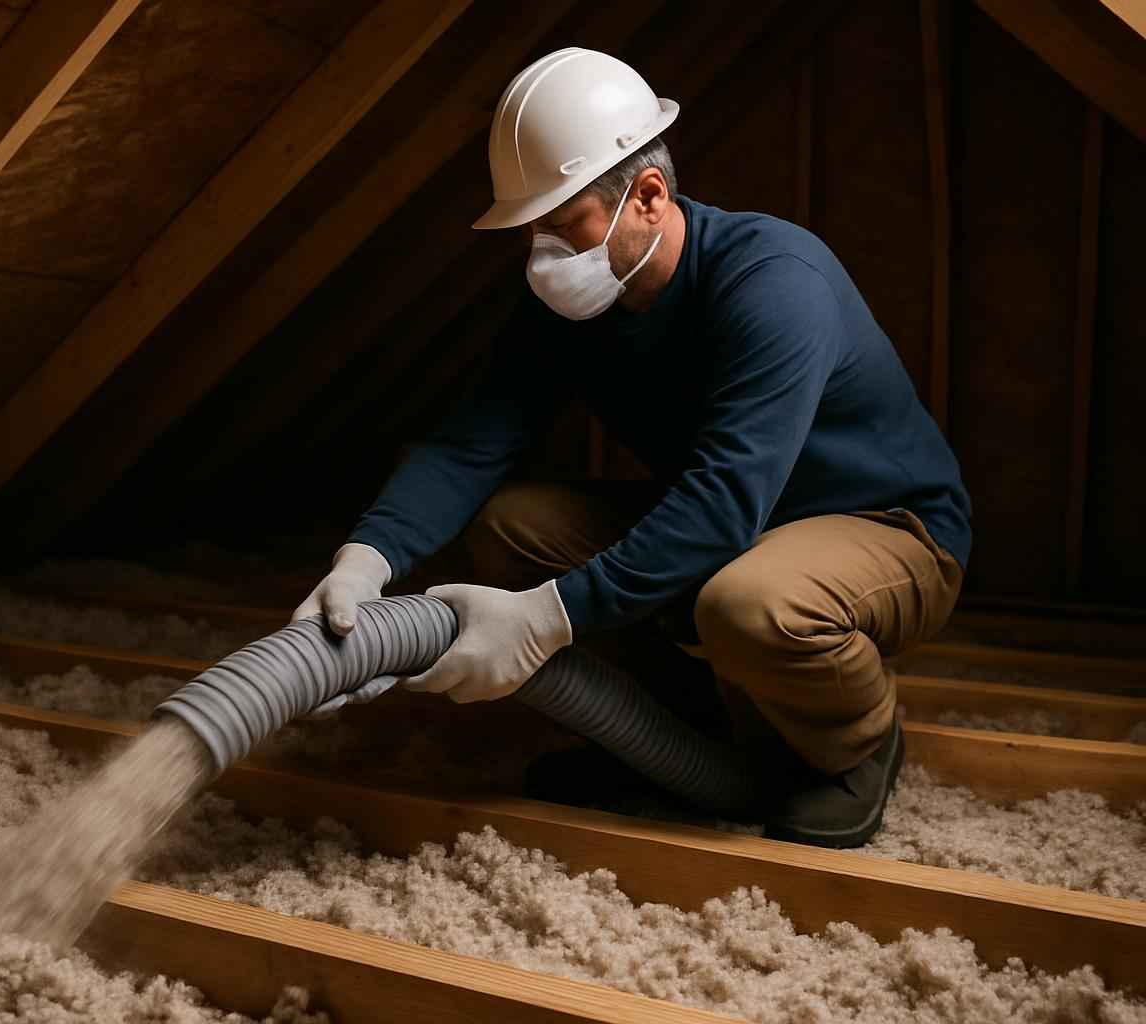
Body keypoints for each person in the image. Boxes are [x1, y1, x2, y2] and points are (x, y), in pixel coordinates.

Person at [291, 48, 972, 848]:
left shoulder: (775, 282)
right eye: (530, 233)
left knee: (748, 606)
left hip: (886, 529)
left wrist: (546, 619)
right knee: (514, 526)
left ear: (648, 196)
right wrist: (366, 557)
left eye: (560, 224)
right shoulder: (576, 309)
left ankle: (856, 745)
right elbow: (472, 443)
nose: (543, 256)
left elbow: (720, 506)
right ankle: (667, 735)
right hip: (745, 528)